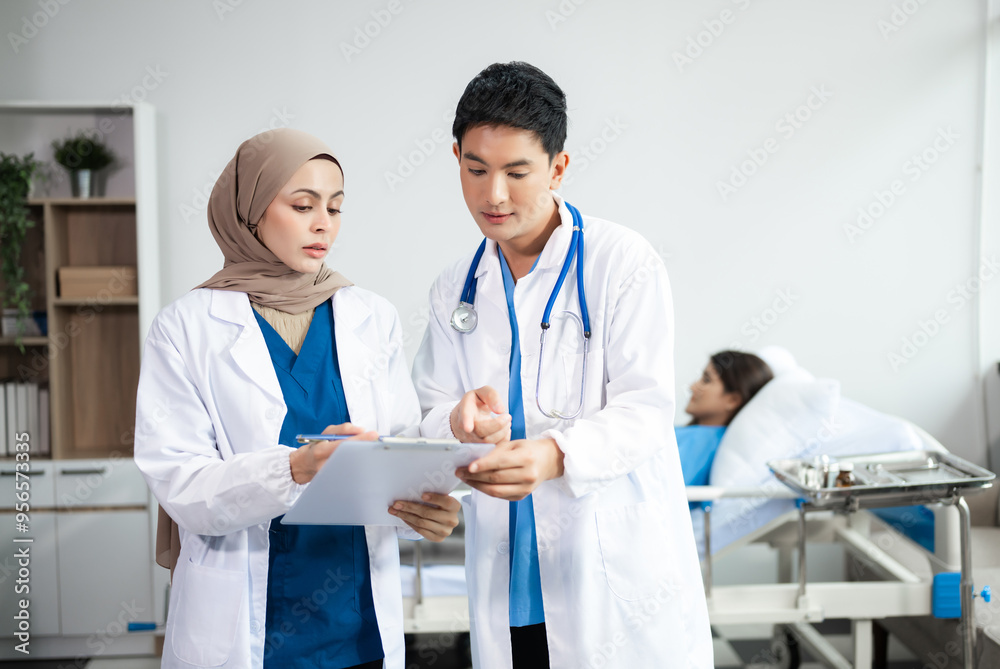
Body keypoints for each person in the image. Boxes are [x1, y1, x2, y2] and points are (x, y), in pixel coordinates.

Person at [412, 62, 713, 668]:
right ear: (457, 159)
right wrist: (455, 420)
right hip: (509, 584)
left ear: (558, 166)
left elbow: (646, 411)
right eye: (475, 170)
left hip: (606, 573)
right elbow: (426, 410)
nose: (493, 194)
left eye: (516, 172)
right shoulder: (456, 287)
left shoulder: (620, 262)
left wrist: (555, 455)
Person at [133, 128, 460, 669]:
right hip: (247, 632)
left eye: (334, 207)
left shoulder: (369, 316)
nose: (323, 223)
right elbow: (180, 483)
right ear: (251, 211)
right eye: (302, 205)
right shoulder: (187, 327)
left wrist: (423, 512)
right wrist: (295, 468)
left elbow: (397, 453)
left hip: (357, 626)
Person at [677, 350, 774, 487]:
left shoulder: (702, 441)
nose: (693, 387)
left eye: (706, 380)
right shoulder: (697, 437)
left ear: (733, 400)